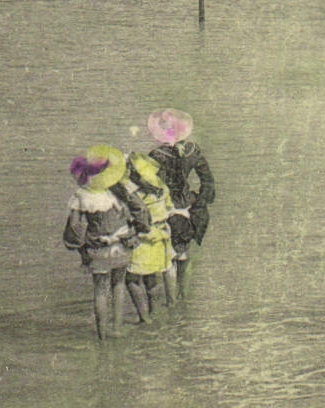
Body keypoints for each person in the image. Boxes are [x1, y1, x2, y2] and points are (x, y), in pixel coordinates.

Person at [62, 149, 136, 340]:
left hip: (98, 247)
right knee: (119, 285)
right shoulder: (115, 192)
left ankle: (102, 335)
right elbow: (130, 215)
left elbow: (75, 227)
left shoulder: (82, 195)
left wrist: (81, 247)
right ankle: (118, 328)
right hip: (120, 244)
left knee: (100, 291)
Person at [146, 108, 214, 299]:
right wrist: (198, 202)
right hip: (187, 208)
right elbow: (208, 181)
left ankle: (171, 302)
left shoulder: (156, 155)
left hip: (165, 209)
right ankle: (184, 297)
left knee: (168, 259)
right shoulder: (193, 150)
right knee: (183, 255)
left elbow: (149, 184)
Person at [118, 151, 175, 319]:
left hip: (143, 239)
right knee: (152, 279)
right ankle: (155, 312)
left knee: (132, 279)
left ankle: (145, 317)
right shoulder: (162, 188)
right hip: (160, 236)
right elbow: (169, 209)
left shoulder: (135, 195)